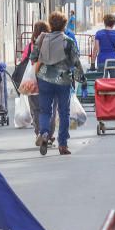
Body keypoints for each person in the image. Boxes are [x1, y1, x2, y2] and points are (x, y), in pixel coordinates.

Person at [30, 11, 84, 156]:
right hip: (63, 80)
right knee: (64, 112)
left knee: (45, 110)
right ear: (64, 25)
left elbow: (33, 57)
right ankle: (63, 144)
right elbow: (76, 62)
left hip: (44, 80)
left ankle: (45, 133)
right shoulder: (68, 41)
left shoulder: (42, 39)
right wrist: (82, 79)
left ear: (50, 24)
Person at [21, 21, 49, 137]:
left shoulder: (31, 44)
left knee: (35, 107)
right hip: (47, 77)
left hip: (32, 80)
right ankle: (47, 133)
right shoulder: (50, 43)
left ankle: (38, 132)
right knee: (47, 108)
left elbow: (24, 59)